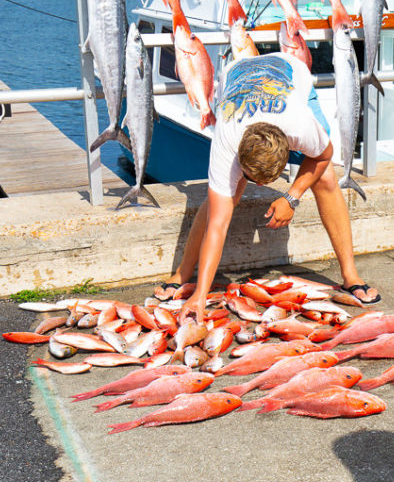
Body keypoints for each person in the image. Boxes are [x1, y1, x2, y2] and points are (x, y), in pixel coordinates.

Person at [153, 51, 380, 317]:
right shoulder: (226, 138)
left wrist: (291, 197)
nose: (258, 186)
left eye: (265, 181)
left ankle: (350, 275)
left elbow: (324, 155)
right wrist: (201, 296)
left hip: (292, 77)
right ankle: (183, 274)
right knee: (223, 199)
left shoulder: (299, 125)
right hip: (237, 82)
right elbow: (218, 224)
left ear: (289, 151)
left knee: (326, 176)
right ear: (240, 156)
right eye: (250, 178)